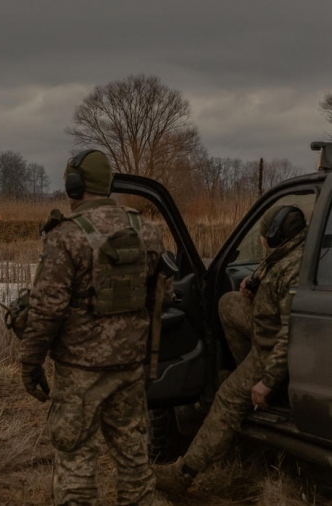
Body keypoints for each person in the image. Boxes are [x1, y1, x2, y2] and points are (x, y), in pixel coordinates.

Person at [18, 149, 167, 506]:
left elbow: (46, 310)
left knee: (76, 461)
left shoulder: (66, 236)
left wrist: (30, 363)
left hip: (80, 373)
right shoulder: (146, 231)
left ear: (74, 185)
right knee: (134, 462)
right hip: (130, 368)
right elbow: (160, 297)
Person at [154, 205, 307, 495]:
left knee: (225, 398)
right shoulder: (291, 252)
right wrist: (253, 284)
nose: (262, 240)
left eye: (264, 235)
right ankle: (246, 375)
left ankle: (183, 473)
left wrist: (267, 380)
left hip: (272, 349)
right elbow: (271, 274)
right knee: (227, 303)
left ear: (274, 235)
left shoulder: (294, 271)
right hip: (266, 330)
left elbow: (291, 334)